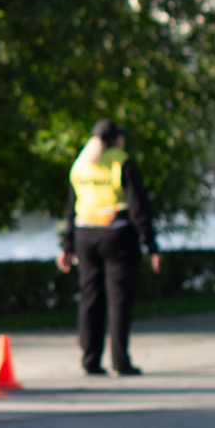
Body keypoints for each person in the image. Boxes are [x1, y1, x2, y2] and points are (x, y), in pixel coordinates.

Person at [56, 120, 161, 376]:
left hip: (84, 236)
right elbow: (139, 207)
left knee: (90, 299)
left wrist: (67, 246)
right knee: (119, 300)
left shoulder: (80, 165)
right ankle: (120, 361)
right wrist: (151, 245)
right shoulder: (122, 162)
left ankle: (90, 360)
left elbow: (71, 208)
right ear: (116, 140)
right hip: (117, 236)